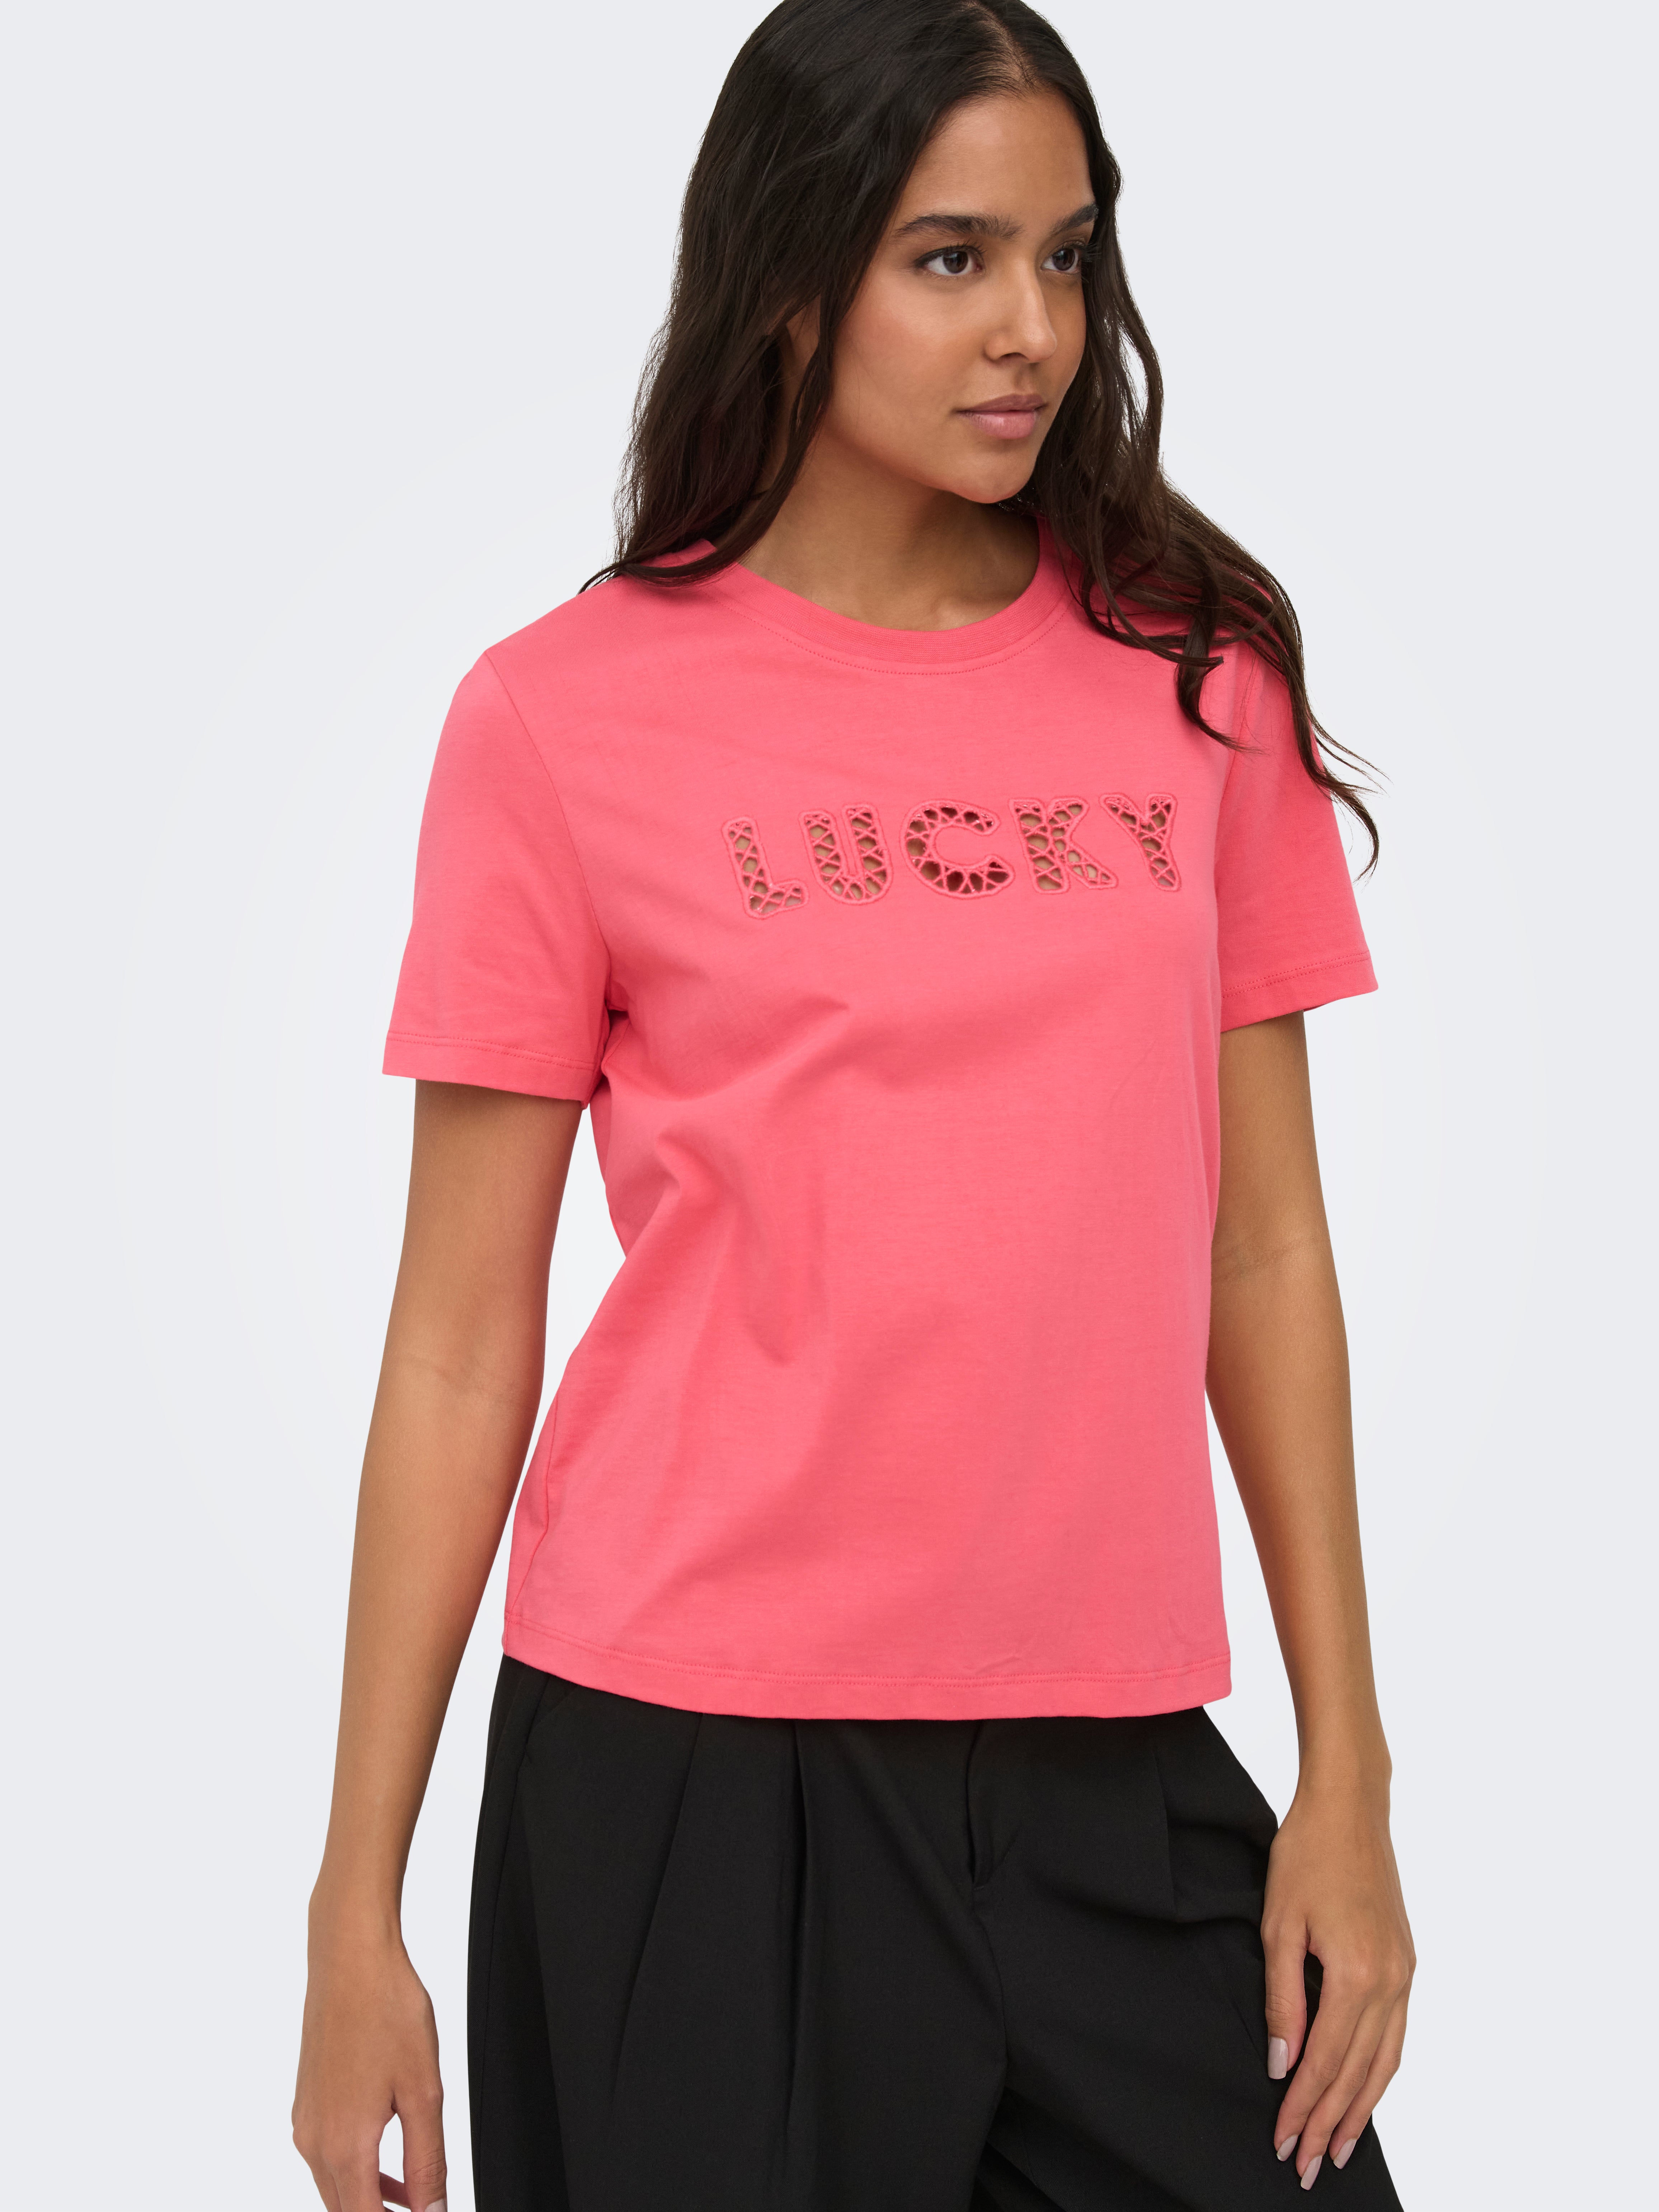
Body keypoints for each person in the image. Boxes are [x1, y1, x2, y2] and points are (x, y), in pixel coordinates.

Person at [292, 2, 1415, 2206]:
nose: (1033, 332)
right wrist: (356, 1899)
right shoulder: (560, 720)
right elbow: (455, 1343)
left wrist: (1347, 1772)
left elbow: (1267, 1246)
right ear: (792, 281)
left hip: (1115, 1770)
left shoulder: (1198, 682)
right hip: (691, 1780)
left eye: (1067, 257)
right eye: (951, 258)